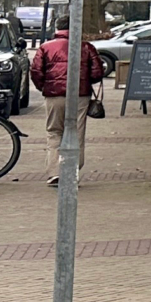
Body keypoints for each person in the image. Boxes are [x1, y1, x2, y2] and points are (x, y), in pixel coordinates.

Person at [32, 16, 110, 186]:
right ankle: (72, 170)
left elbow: (36, 71)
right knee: (77, 132)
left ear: (57, 28)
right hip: (80, 95)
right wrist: (85, 82)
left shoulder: (45, 47)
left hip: (54, 94)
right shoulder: (86, 47)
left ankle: (54, 172)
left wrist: (45, 87)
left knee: (54, 131)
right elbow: (97, 73)